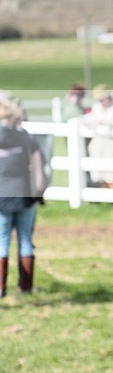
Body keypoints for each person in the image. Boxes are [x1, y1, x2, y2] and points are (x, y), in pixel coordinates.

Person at [0, 99, 46, 296]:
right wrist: (39, 193)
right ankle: (25, 287)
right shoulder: (25, 137)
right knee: (26, 239)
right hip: (25, 196)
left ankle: (0, 288)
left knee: (2, 242)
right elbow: (40, 171)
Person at [86, 84, 113, 189]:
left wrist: (102, 122)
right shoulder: (96, 106)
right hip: (99, 144)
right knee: (99, 173)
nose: (101, 101)